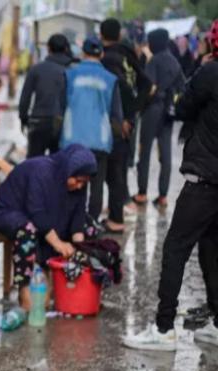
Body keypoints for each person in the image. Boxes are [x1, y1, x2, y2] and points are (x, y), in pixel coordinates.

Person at [123, 29, 218, 351]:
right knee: (211, 250)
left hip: (205, 178)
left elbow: (184, 106)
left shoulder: (210, 72)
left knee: (176, 248)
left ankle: (163, 329)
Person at [0, 144, 97, 310]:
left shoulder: (78, 182)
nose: (79, 186)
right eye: (77, 181)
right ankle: (24, 290)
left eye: (84, 183)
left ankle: (74, 281)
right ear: (68, 171)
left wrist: (79, 247)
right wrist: (59, 244)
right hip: (10, 211)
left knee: (89, 227)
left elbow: (78, 215)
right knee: (27, 230)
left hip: (47, 216)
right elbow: (37, 214)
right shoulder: (41, 172)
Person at [59, 37, 124, 225]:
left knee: (73, 183)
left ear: (83, 53)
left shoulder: (69, 75)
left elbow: (61, 106)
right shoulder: (111, 80)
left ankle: (72, 225)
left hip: (72, 139)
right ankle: (91, 224)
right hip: (100, 140)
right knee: (96, 185)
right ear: (101, 54)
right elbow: (116, 114)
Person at [100, 18, 153, 232]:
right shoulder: (128, 54)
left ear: (102, 35)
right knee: (118, 169)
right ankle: (116, 214)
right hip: (127, 121)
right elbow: (147, 85)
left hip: (115, 123)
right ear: (119, 35)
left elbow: (117, 88)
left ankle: (115, 217)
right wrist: (134, 114)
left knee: (110, 170)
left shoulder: (109, 58)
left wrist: (123, 117)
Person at [133, 28, 185, 209]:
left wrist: (140, 106)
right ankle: (163, 195)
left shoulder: (154, 60)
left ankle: (142, 193)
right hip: (168, 111)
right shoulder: (174, 62)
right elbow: (182, 88)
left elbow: (150, 87)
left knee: (144, 152)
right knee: (166, 154)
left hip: (153, 110)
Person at [18, 34, 73, 158]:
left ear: (48, 48)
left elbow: (25, 98)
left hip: (39, 122)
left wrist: (23, 118)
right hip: (62, 124)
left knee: (34, 166)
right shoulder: (71, 71)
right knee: (59, 166)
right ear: (66, 49)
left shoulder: (36, 69)